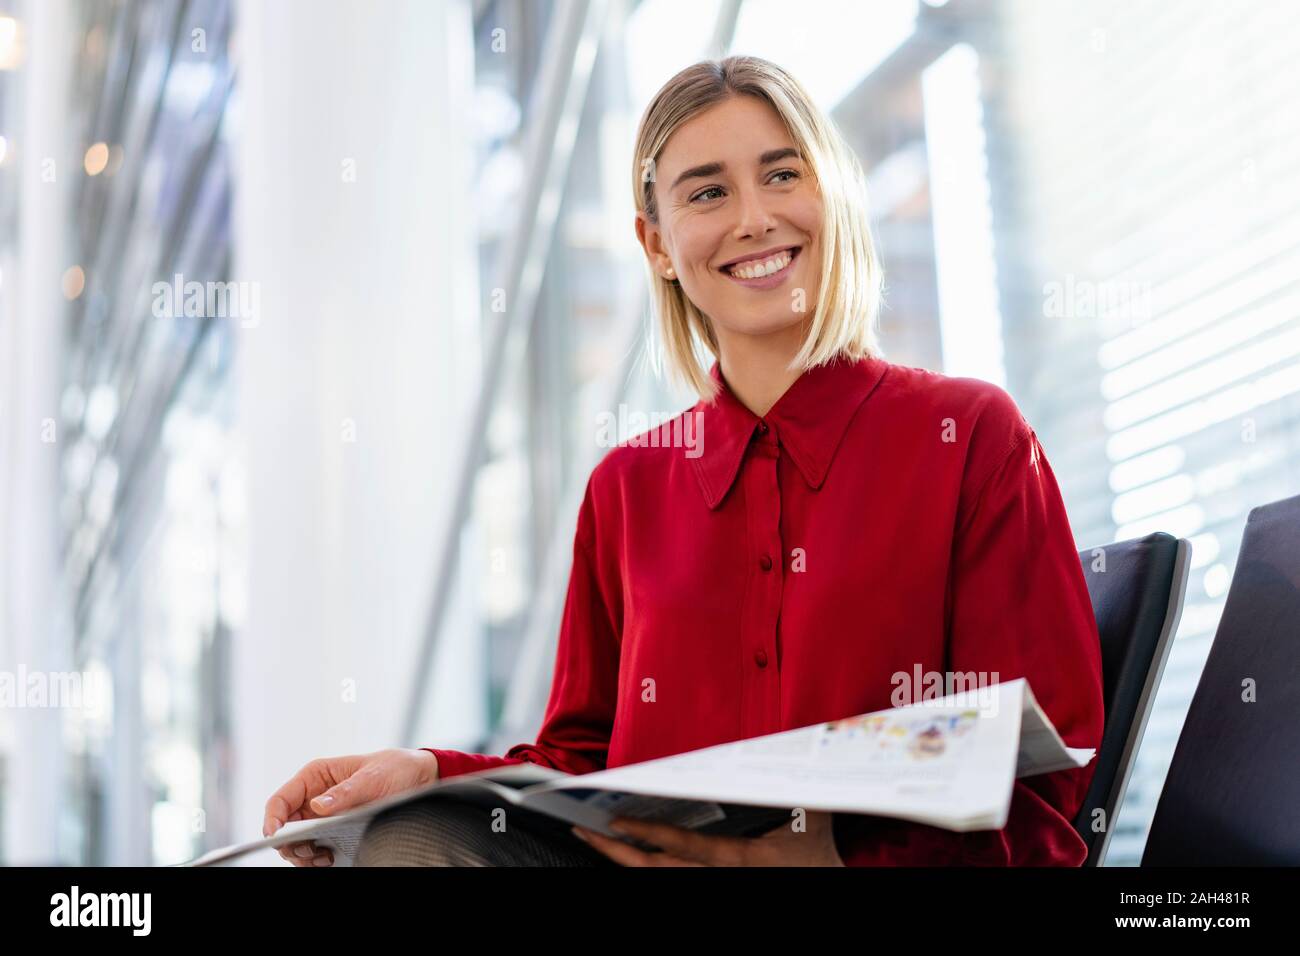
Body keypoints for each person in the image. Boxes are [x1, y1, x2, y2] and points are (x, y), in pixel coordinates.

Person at [263, 55, 1104, 867]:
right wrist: (431, 770)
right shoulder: (625, 489)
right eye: (708, 192)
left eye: (783, 175)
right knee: (404, 841)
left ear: (832, 195)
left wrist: (835, 860)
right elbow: (581, 763)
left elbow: (1041, 790)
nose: (752, 218)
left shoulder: (969, 436)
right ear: (658, 244)